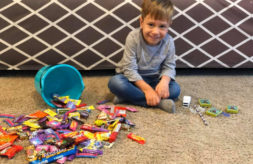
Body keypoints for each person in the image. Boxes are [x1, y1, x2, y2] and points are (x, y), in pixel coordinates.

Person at [108, 0, 180, 113]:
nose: (156, 31)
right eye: (151, 24)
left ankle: (128, 97)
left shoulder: (169, 41)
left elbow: (169, 66)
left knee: (175, 90)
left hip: (154, 79)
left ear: (169, 25)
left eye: (162, 26)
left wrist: (164, 82)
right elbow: (129, 69)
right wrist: (147, 90)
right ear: (141, 22)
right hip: (131, 79)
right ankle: (159, 103)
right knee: (115, 83)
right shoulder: (133, 37)